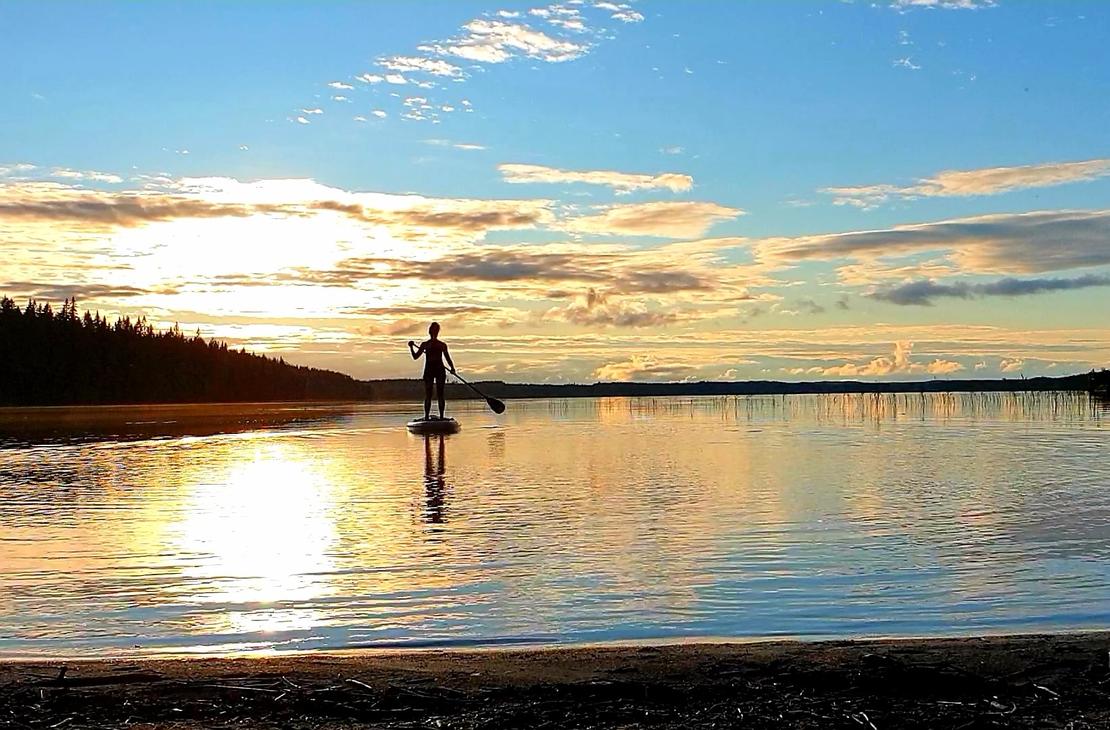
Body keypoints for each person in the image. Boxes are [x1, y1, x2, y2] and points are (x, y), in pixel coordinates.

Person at [409, 322, 455, 420]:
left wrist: (452, 368)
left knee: (437, 394)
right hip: (431, 371)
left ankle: (437, 417)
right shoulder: (428, 345)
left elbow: (447, 358)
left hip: (438, 370)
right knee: (432, 394)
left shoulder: (437, 345)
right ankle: (430, 417)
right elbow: (415, 357)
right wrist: (411, 347)